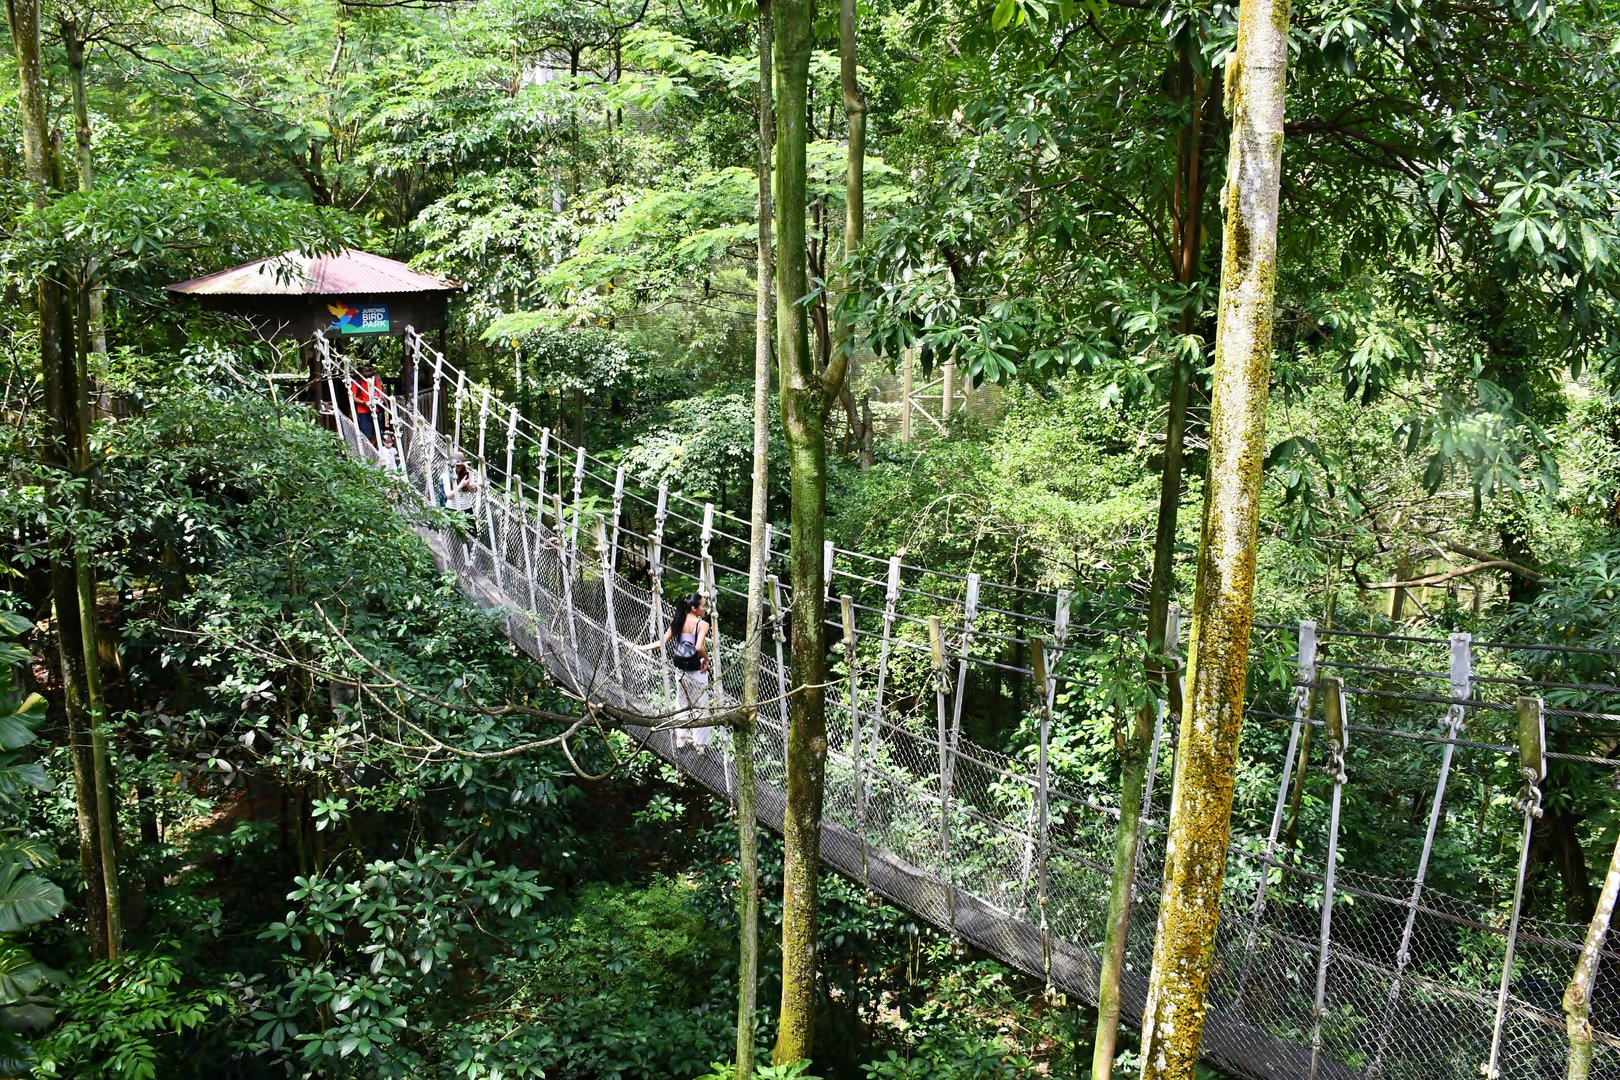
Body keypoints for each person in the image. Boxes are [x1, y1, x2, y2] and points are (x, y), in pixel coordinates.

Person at [640, 592, 712, 750]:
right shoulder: (703, 624)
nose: (705, 609)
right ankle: (699, 744)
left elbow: (662, 642)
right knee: (701, 705)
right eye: (703, 606)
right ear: (694, 608)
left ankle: (681, 738)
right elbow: (699, 647)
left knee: (682, 702)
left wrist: (640, 647)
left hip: (680, 670)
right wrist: (707, 659)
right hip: (696, 670)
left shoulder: (679, 620)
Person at [348, 363, 388, 448]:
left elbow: (380, 393)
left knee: (376, 433)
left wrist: (377, 400)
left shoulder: (375, 380)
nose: (368, 373)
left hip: (375, 409)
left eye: (370, 371)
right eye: (366, 371)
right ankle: (367, 450)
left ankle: (373, 450)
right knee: (366, 434)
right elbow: (353, 397)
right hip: (363, 411)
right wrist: (364, 402)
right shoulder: (357, 382)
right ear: (362, 372)